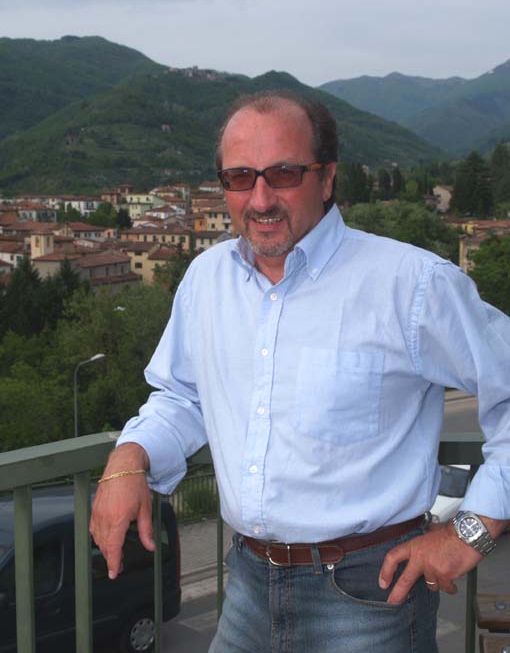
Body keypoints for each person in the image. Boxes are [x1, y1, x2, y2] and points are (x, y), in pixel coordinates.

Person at [90, 90, 510, 652]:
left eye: (284, 174)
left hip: (371, 594)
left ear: (327, 178)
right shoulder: (206, 280)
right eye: (240, 177)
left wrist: (473, 529)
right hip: (245, 586)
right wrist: (129, 457)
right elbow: (183, 397)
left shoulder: (411, 285)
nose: (260, 198)